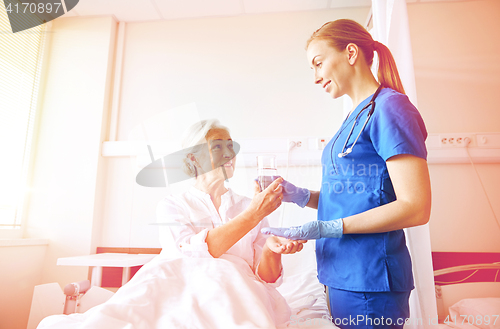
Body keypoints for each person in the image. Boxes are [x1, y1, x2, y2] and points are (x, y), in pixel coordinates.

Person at [262, 19, 431, 329]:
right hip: (338, 272)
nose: (315, 78)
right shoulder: (354, 117)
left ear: (350, 53)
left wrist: (326, 228)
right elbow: (358, 199)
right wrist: (301, 196)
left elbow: (416, 207)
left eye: (318, 63)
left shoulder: (391, 109)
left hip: (369, 277)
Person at [156, 119, 307, 327]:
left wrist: (273, 251)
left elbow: (266, 278)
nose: (229, 153)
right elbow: (188, 256)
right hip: (188, 292)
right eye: (217, 146)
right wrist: (253, 214)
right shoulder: (173, 206)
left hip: (239, 296)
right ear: (194, 159)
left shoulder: (251, 205)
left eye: (230, 145)